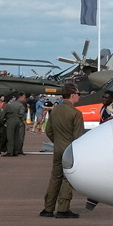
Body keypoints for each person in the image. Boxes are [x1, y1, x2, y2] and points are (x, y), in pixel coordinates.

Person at [41, 90, 87, 218]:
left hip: (57, 148)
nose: (79, 96)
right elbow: (78, 136)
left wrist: (57, 142)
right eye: (78, 94)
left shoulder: (55, 110)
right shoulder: (75, 113)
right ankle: (63, 208)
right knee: (68, 178)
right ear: (73, 95)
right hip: (70, 149)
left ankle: (48, 208)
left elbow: (48, 130)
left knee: (55, 177)